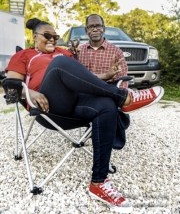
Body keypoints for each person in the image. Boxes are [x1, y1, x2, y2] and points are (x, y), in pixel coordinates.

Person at [5, 18, 164, 213]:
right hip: (47, 107)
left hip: (74, 103)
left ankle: (99, 182)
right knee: (61, 63)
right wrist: (30, 93)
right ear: (34, 37)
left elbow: (82, 77)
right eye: (47, 36)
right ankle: (125, 98)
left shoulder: (63, 53)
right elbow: (11, 87)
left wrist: (106, 76)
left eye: (55, 37)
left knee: (106, 105)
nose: (53, 40)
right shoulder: (24, 55)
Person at [77, 14, 130, 150]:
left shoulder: (116, 51)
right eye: (91, 26)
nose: (95, 29)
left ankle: (121, 102)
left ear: (103, 28)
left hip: (108, 90)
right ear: (86, 30)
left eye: (98, 26)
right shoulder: (79, 51)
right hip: (86, 92)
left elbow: (123, 76)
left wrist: (121, 95)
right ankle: (120, 118)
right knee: (108, 104)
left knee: (110, 103)